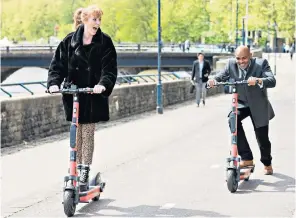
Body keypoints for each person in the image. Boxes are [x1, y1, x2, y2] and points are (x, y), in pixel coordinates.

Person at [47, 5, 118, 190]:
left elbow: (109, 69)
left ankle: (85, 169)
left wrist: (102, 84)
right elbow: (57, 65)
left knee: (87, 133)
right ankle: (76, 168)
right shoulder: (69, 41)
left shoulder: (105, 42)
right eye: (94, 19)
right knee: (75, 133)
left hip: (92, 94)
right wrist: (54, 82)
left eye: (99, 20)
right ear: (85, 20)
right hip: (74, 94)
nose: (98, 23)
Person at [207, 46, 276, 175]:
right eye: (238, 58)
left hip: (258, 105)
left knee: (263, 139)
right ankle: (247, 157)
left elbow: (272, 80)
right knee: (233, 120)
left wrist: (258, 80)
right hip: (241, 104)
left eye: (244, 58)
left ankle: (267, 163)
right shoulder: (231, 64)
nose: (241, 61)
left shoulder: (261, 64)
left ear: (250, 55)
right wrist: (213, 81)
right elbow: (220, 76)